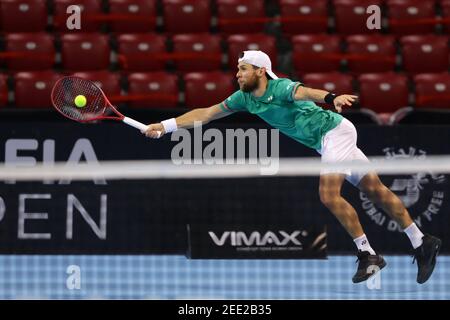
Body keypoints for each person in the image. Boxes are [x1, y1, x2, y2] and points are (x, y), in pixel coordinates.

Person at [143, 50, 442, 284]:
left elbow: (306, 92)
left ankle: (368, 254)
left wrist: (331, 97)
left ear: (260, 70)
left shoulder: (281, 87)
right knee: (375, 190)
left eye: (243, 69)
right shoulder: (244, 98)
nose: (237, 74)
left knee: (328, 195)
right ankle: (421, 240)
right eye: (237, 69)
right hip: (325, 141)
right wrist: (166, 126)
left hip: (333, 132)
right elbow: (207, 113)